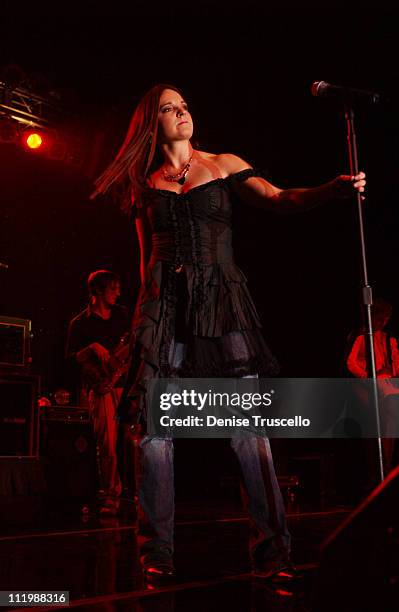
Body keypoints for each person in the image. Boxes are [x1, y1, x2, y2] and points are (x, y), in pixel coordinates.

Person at [91, 83, 366, 580]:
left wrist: (333, 189)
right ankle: (157, 552)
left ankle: (273, 551)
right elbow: (143, 258)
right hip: (163, 308)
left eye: (184, 105)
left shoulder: (221, 164)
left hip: (221, 304)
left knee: (247, 429)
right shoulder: (144, 182)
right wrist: (142, 322)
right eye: (169, 109)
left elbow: (279, 198)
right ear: (151, 123)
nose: (181, 113)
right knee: (154, 433)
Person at [65, 270, 130, 515]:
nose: (118, 293)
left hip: (123, 385)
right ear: (97, 292)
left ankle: (137, 495)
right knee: (107, 445)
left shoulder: (122, 316)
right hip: (100, 388)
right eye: (113, 288)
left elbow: (132, 346)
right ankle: (110, 496)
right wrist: (92, 348)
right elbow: (70, 361)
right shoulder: (79, 324)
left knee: (135, 442)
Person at [346, 298, 399, 476]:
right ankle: (379, 469)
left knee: (390, 424)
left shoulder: (388, 340)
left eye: (386, 319)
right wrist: (368, 376)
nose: (383, 323)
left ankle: (387, 465)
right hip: (370, 385)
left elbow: (395, 367)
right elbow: (351, 363)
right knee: (377, 426)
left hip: (386, 383)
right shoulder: (361, 336)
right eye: (379, 319)